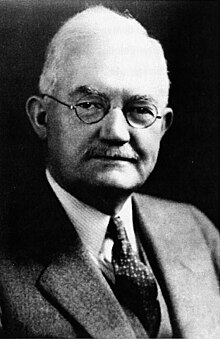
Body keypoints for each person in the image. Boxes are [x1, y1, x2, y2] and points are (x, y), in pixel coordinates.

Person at [0, 5, 219, 339]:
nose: (116, 132)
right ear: (42, 118)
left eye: (140, 110)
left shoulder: (196, 230)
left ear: (163, 127)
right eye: (89, 105)